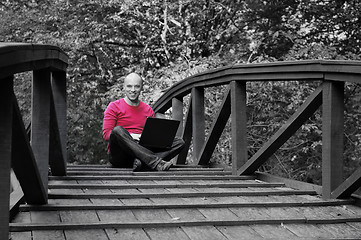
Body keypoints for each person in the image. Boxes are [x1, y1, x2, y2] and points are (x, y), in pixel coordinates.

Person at [102, 72, 185, 171]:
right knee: (117, 130)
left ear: (141, 88)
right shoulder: (114, 107)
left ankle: (142, 163)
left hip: (142, 151)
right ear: (124, 87)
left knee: (179, 142)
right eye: (129, 86)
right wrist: (132, 136)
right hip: (120, 155)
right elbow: (107, 135)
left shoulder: (148, 109)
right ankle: (155, 162)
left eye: (136, 86)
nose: (133, 90)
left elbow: (152, 135)